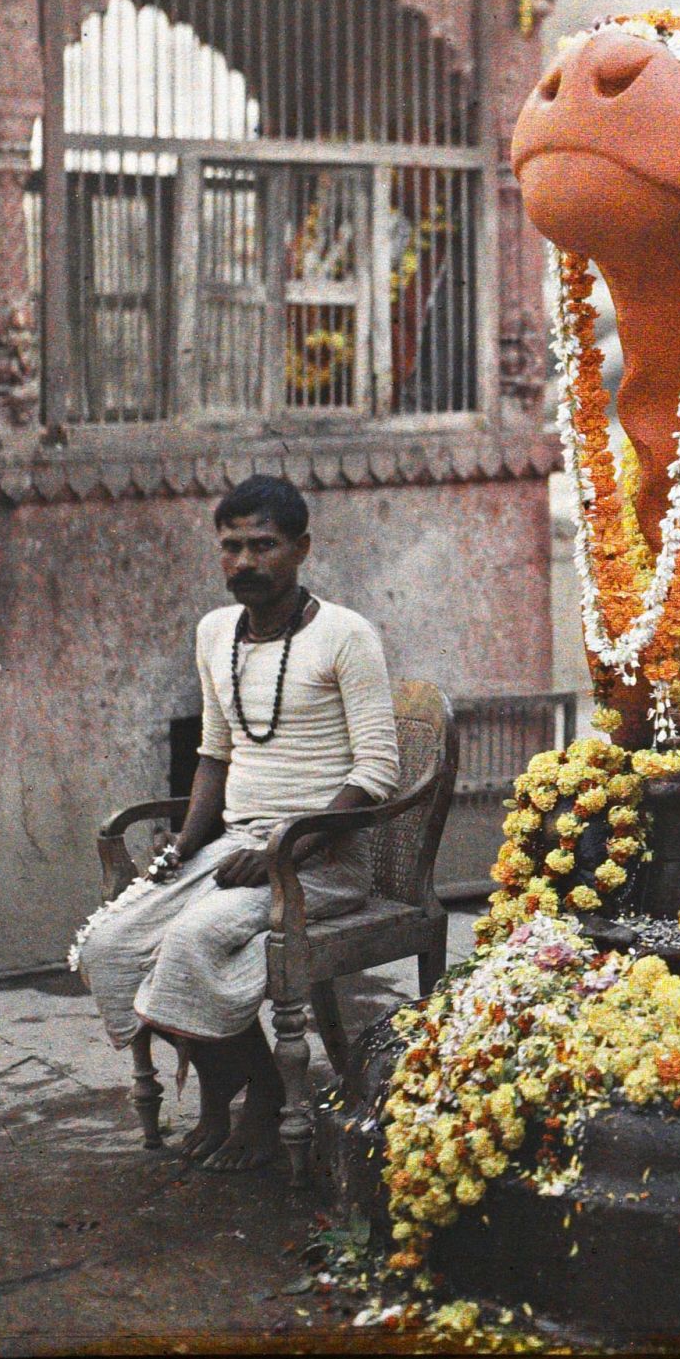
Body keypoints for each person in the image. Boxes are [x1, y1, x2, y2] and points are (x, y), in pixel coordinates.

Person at [75, 475, 400, 1172]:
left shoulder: (347, 635)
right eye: (231, 547)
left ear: (301, 548)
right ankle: (239, 1081)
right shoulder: (215, 632)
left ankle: (252, 1104)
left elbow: (377, 773)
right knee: (110, 943)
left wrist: (286, 849)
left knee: (192, 939)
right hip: (233, 849)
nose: (246, 562)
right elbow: (215, 755)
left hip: (322, 862)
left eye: (264, 545)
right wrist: (185, 843)